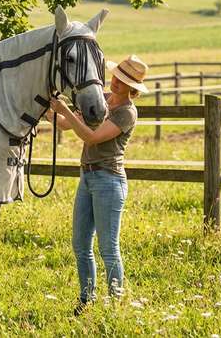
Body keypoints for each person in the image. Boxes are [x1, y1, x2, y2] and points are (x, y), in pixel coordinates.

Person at [46, 55, 148, 315]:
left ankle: (115, 302)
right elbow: (65, 124)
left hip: (108, 180)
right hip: (88, 177)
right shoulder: (100, 100)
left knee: (108, 247)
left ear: (132, 89)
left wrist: (65, 109)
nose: (114, 82)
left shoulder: (126, 112)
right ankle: (86, 299)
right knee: (80, 244)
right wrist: (46, 106)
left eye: (122, 81)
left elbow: (91, 137)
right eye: (115, 76)